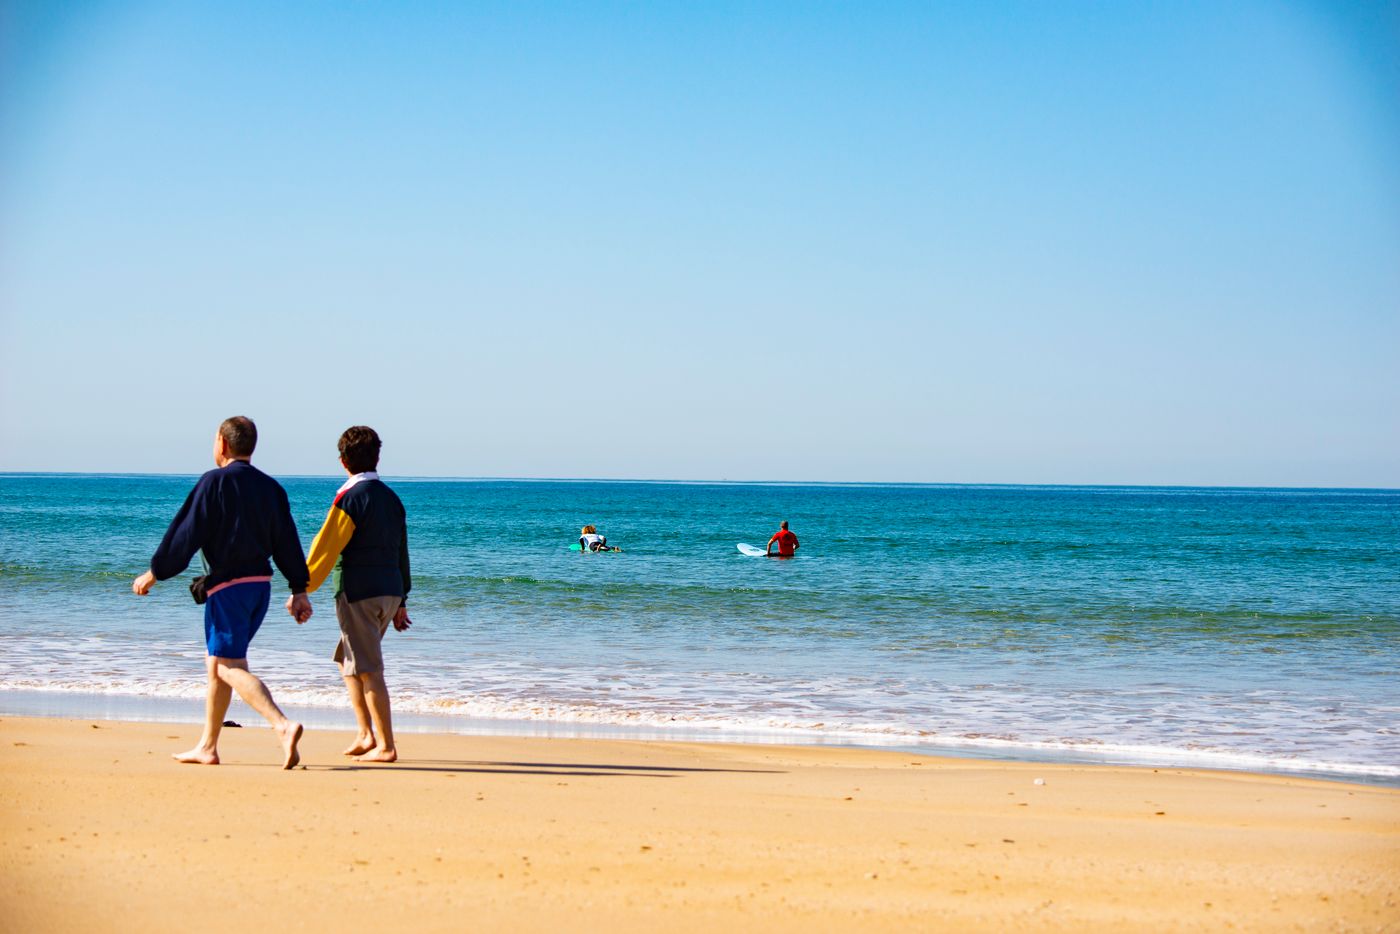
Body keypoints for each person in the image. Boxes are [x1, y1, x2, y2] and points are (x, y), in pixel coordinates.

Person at [131, 416, 311, 769]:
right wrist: (299, 588)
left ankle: (282, 725)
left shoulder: (214, 483)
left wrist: (156, 572)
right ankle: (208, 746)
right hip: (260, 588)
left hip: (229, 588)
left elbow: (186, 533)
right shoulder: (272, 488)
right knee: (217, 662)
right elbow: (287, 541)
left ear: (223, 444)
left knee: (228, 667)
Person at [303, 426, 412, 763]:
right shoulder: (392, 499)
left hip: (359, 593)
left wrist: (301, 587)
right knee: (346, 660)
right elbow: (401, 551)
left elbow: (326, 548)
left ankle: (386, 746)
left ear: (343, 461)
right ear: (376, 457)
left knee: (369, 668)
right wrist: (402, 600)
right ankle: (365, 734)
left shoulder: (349, 498)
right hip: (389, 591)